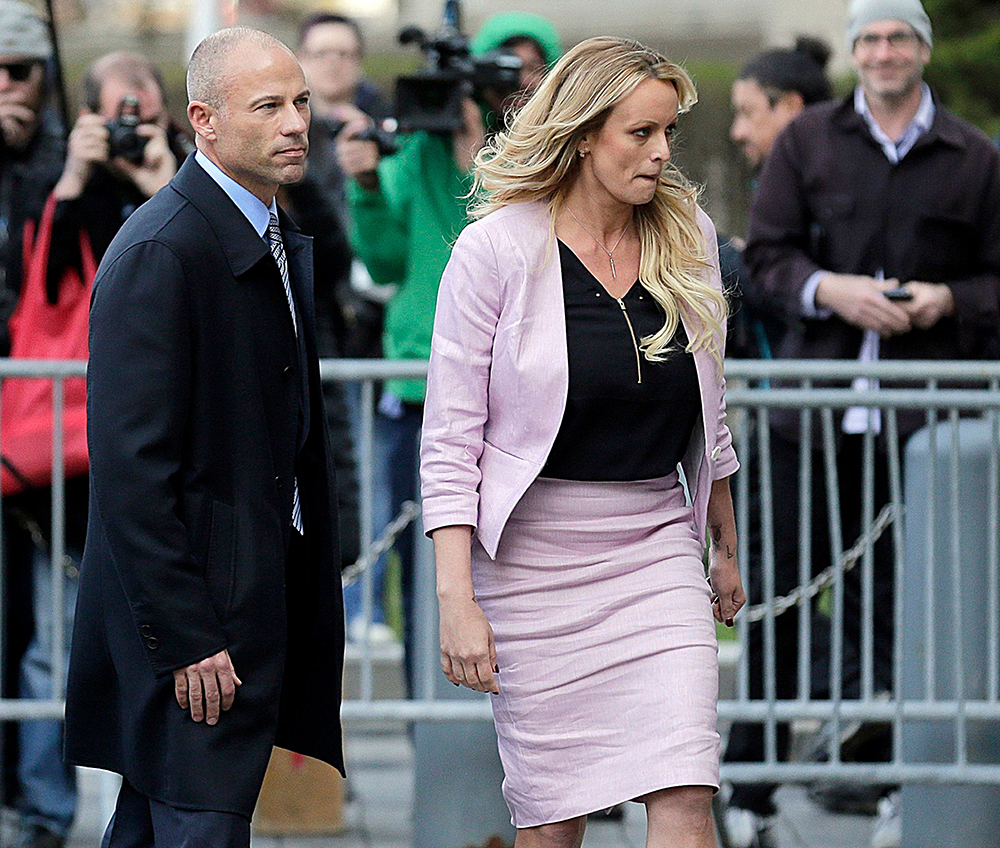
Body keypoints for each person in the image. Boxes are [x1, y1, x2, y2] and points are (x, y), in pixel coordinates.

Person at [420, 37, 746, 848]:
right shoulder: (494, 250)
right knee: (553, 818)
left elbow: (712, 394)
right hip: (531, 564)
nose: (663, 152)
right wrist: (455, 599)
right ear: (582, 134)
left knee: (685, 787)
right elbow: (451, 436)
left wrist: (724, 533)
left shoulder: (687, 233)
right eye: (641, 133)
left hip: (654, 545)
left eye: (668, 132)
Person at [63, 27, 345, 848]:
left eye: (300, 102)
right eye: (269, 106)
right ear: (204, 120)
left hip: (245, 603)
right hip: (197, 629)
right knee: (197, 828)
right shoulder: (162, 249)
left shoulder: (266, 229)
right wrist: (186, 636)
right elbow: (129, 470)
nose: (296, 122)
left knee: (160, 829)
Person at [744, 2, 1000, 846]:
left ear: (921, 49)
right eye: (871, 39)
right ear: (854, 53)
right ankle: (749, 794)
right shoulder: (806, 141)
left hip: (922, 430)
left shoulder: (974, 155)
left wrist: (949, 300)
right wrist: (832, 290)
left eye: (899, 37)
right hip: (807, 424)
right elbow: (768, 256)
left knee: (914, 609)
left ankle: (902, 790)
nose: (885, 52)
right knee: (775, 597)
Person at [337, 11, 561, 658]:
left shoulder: (559, 150)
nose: (514, 83)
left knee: (519, 567)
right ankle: (425, 745)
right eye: (500, 68)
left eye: (530, 68)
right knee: (422, 565)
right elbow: (380, 262)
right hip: (420, 383)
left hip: (518, 385)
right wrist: (366, 186)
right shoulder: (423, 143)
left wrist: (478, 162)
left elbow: (528, 242)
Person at [719, 35, 835, 848]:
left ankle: (869, 762)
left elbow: (793, 284)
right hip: (788, 424)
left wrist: (733, 264)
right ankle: (754, 782)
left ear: (790, 111)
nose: (736, 130)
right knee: (781, 598)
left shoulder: (831, 175)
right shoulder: (786, 176)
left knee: (833, 600)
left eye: (746, 111)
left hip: (832, 420)